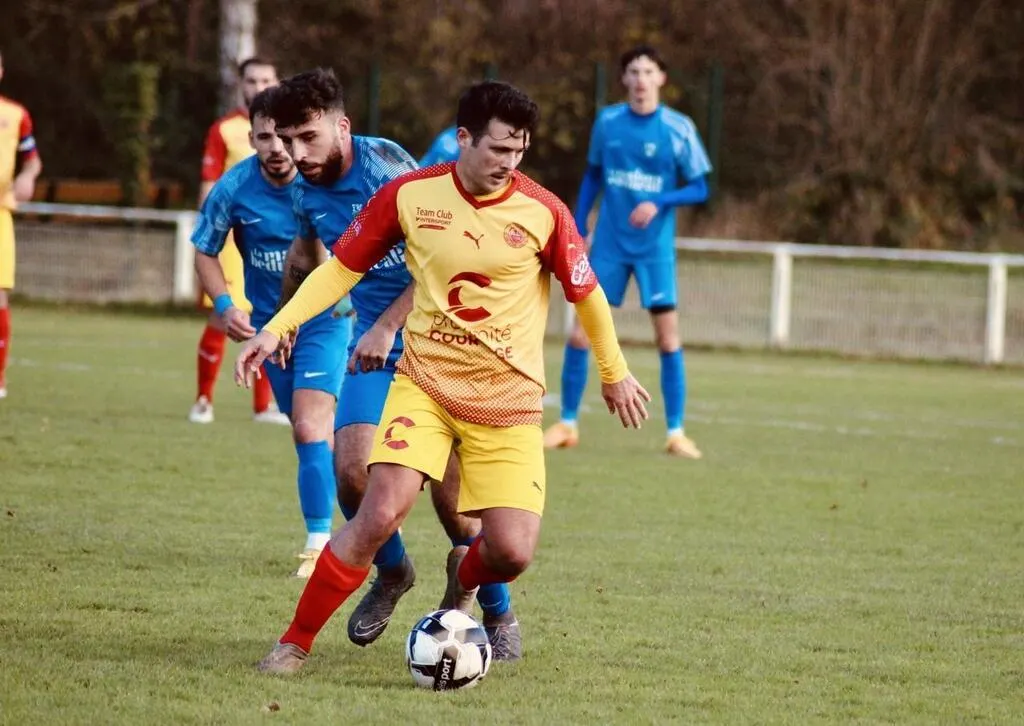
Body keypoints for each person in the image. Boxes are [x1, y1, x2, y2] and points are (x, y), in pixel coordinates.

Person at [234, 80, 651, 675]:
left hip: (508, 402)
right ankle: (293, 644)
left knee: (510, 551)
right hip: (425, 386)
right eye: (498, 149)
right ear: (463, 139)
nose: (509, 163)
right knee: (377, 510)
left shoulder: (544, 211)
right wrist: (276, 328)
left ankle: (465, 578)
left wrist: (615, 373)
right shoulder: (410, 195)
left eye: (519, 151)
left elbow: (587, 295)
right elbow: (339, 271)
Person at [266, 69, 520, 658]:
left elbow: (440, 264)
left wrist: (386, 324)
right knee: (352, 471)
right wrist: (285, 320)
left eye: (308, 137)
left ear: (342, 127)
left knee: (457, 509)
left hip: (445, 347)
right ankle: (393, 570)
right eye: (286, 140)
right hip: (374, 354)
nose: (296, 153)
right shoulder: (305, 189)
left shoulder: (389, 170)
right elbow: (308, 253)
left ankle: (497, 611)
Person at [190, 88, 354, 577]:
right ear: (253, 139)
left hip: (325, 321)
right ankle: (369, 510)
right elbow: (204, 250)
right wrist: (224, 306)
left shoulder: (321, 181)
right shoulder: (234, 188)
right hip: (269, 329)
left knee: (309, 425)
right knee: (314, 435)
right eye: (266, 138)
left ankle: (319, 543)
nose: (278, 149)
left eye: (285, 138)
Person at [544, 44, 712, 459]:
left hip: (654, 250)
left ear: (661, 78)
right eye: (633, 72)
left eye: (648, 72)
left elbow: (700, 187)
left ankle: (676, 433)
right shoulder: (608, 123)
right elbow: (593, 175)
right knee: (581, 332)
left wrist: (660, 201)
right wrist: (579, 225)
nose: (640, 80)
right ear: (624, 79)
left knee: (667, 338)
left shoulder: (678, 128)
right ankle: (567, 424)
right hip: (610, 246)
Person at [189, 56, 287, 425]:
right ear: (241, 85)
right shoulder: (224, 129)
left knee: (272, 317)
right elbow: (209, 183)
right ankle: (203, 400)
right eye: (252, 80)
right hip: (233, 240)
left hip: (277, 240)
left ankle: (264, 406)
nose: (259, 87)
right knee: (225, 315)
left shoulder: (294, 128)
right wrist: (210, 227)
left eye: (265, 80)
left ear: (277, 82)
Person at [0, 49, 43, 400]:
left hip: (0, 212)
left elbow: (32, 160)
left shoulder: (16, 115)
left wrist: (28, 176)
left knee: (0, 296)